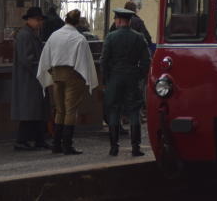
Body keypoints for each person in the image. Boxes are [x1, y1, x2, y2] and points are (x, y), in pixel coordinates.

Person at [37, 9, 98, 155]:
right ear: (77, 22)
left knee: (60, 110)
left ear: (65, 19)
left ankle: (56, 144)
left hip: (56, 74)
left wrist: (52, 72)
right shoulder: (79, 38)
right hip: (73, 75)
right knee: (71, 110)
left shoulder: (54, 36)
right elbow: (84, 61)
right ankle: (67, 145)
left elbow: (46, 57)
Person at [102, 8, 149, 157]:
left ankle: (114, 147)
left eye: (115, 20)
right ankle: (136, 147)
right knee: (134, 111)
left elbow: (104, 60)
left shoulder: (110, 37)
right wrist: (139, 75)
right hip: (132, 78)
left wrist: (107, 79)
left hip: (115, 77)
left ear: (120, 21)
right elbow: (146, 61)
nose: (115, 22)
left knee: (114, 110)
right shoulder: (139, 37)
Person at [11, 6, 50, 151]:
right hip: (29, 79)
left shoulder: (29, 33)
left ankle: (37, 139)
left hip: (31, 78)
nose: (40, 23)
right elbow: (27, 59)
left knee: (35, 111)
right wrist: (40, 69)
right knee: (30, 112)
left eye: (41, 20)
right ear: (30, 20)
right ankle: (23, 141)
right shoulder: (25, 35)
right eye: (38, 20)